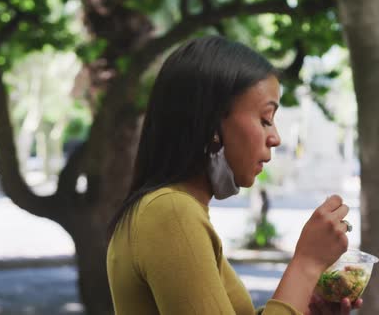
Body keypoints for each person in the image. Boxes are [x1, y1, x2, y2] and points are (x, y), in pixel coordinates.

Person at [106, 36, 361, 315]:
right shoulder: (171, 212)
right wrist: (307, 264)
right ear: (212, 122)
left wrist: (303, 308)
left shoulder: (171, 209)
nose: (275, 137)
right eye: (265, 119)